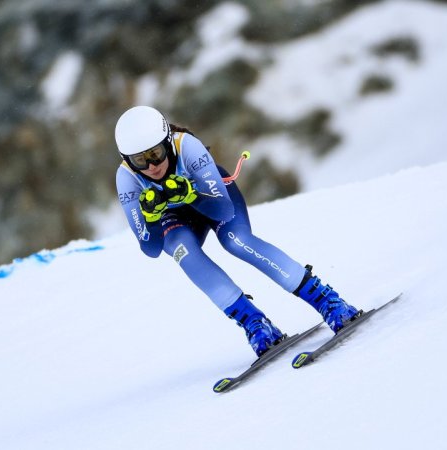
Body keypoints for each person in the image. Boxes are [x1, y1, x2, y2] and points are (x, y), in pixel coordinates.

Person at [114, 105, 360, 357]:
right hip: (175, 218)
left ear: (167, 142)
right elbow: (151, 248)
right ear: (128, 160)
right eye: (140, 160)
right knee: (182, 251)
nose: (152, 166)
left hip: (212, 198)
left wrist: (191, 194)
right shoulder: (126, 178)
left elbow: (221, 210)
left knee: (235, 240)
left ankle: (328, 300)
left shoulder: (187, 147)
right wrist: (152, 218)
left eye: (156, 153)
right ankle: (255, 324)